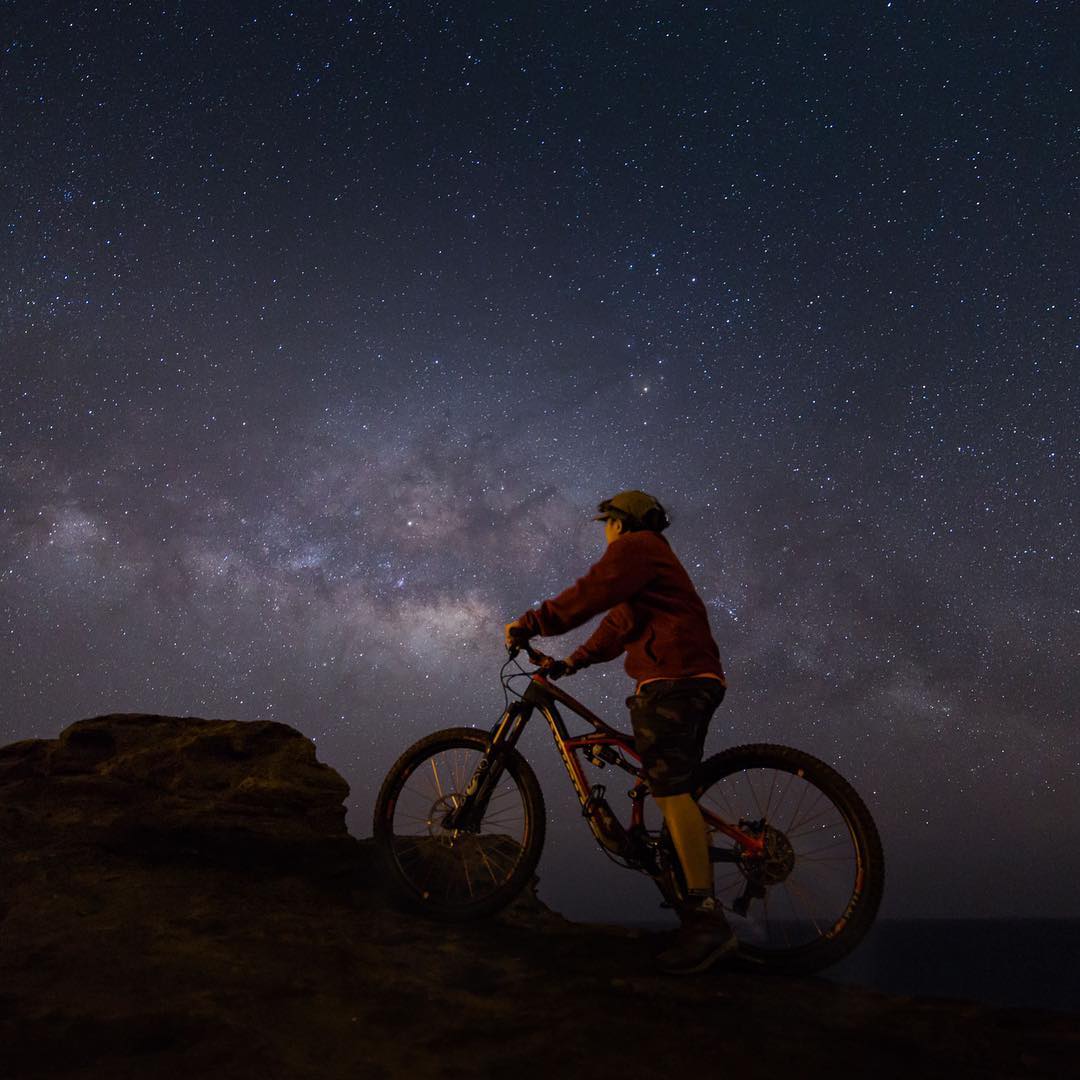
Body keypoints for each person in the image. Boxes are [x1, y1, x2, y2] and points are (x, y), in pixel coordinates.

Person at [504, 490, 735, 974]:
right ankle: (690, 899)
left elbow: (593, 591)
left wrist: (531, 624)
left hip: (674, 677)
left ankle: (706, 920)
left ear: (619, 521)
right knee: (667, 779)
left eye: (604, 523)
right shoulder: (652, 565)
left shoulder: (637, 547)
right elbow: (620, 623)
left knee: (671, 789)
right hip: (687, 675)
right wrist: (570, 662)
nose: (603, 532)